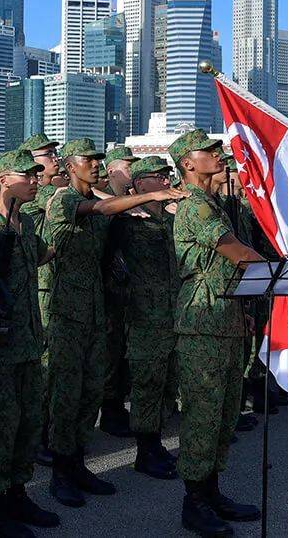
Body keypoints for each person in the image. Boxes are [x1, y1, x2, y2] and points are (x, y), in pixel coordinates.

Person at [42, 138, 185, 508]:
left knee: (91, 393)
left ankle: (78, 464)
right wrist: (142, 198)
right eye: (87, 160)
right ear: (70, 166)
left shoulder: (105, 206)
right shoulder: (65, 200)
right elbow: (101, 208)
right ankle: (60, 471)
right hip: (66, 313)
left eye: (96, 160)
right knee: (66, 394)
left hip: (96, 311)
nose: (94, 164)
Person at [169, 129, 261, 537]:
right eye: (208, 151)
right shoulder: (195, 207)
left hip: (226, 317)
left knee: (224, 414)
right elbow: (237, 253)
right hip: (203, 323)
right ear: (188, 163)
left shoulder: (216, 203)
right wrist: (277, 271)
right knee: (203, 415)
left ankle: (212, 491)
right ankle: (194, 503)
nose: (218, 154)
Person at [0, 150, 60, 537]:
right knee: (0, 429)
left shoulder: (25, 228)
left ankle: (19, 492)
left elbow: (42, 256)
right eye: (28, 176)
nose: (36, 181)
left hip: (27, 346)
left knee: (27, 425)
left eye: (38, 176)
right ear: (4, 181)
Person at [112, 156, 181, 479]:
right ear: (140, 185)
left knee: (167, 384)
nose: (167, 182)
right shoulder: (126, 223)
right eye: (159, 177)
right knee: (147, 385)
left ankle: (156, 443)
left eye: (168, 176)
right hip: (143, 318)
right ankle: (145, 449)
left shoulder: (171, 222)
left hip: (172, 316)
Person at [16, 132, 62, 466]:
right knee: (44, 364)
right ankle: (39, 436)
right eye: (47, 155)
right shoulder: (34, 196)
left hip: (51, 284)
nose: (54, 159)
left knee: (53, 363)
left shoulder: (50, 191)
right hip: (41, 287)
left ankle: (49, 432)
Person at [99, 145, 141, 438]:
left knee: (124, 352)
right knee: (110, 353)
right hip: (108, 288)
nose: (132, 172)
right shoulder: (103, 196)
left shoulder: (129, 199)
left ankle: (118, 406)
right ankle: (110, 410)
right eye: (128, 166)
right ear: (112, 170)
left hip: (128, 289)